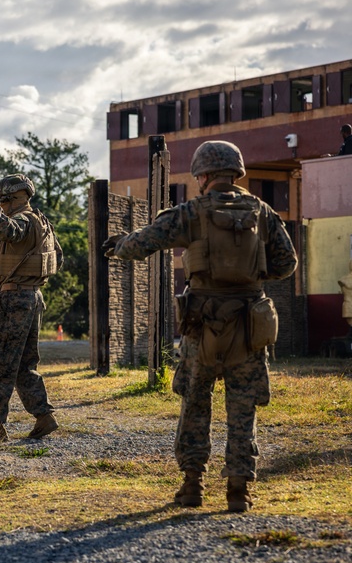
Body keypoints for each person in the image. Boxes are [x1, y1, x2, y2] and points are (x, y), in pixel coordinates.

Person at [102, 140, 297, 512]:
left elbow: (145, 242)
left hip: (201, 324)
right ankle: (239, 491)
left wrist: (119, 244)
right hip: (249, 323)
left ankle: (192, 486)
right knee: (243, 411)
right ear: (235, 172)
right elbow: (287, 263)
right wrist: (253, 276)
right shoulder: (263, 212)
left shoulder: (189, 213)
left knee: (195, 404)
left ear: (203, 175)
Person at [0, 170, 62, 442]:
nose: (1, 205)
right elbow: (58, 258)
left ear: (12, 198)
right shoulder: (42, 222)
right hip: (31, 297)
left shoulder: (22, 220)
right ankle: (44, 417)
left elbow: (9, 230)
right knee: (23, 365)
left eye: (2, 200)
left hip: (14, 299)